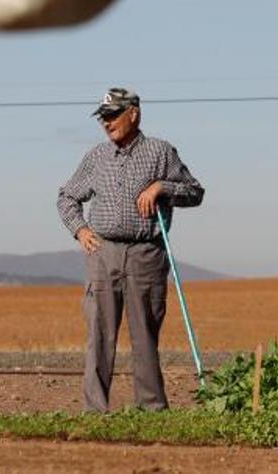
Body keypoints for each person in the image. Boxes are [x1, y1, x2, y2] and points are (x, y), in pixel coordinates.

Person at [57, 87, 205, 411]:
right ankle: (94, 412)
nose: (106, 124)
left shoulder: (160, 152)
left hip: (146, 255)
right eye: (103, 118)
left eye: (112, 116)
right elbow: (67, 197)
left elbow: (195, 192)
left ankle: (151, 410)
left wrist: (162, 187)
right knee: (99, 335)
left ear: (133, 113)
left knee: (145, 337)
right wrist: (80, 230)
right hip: (104, 253)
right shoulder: (96, 157)